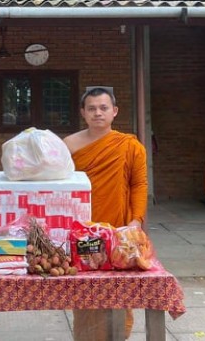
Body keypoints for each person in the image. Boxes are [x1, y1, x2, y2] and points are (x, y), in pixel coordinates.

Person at [63, 86, 148, 341]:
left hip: (118, 227)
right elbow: (61, 185)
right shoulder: (69, 145)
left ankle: (118, 335)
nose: (97, 113)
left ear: (115, 111)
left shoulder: (130, 145)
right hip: (82, 229)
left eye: (103, 108)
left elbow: (139, 184)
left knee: (118, 283)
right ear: (83, 112)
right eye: (91, 108)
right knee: (85, 284)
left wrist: (136, 221)